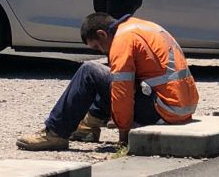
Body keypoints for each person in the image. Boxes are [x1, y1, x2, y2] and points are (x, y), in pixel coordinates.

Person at [16, 13, 199, 151]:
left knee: (90, 71)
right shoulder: (139, 26)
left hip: (165, 111)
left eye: (97, 46)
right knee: (109, 75)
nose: (101, 51)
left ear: (102, 34)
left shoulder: (122, 41)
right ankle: (88, 127)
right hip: (180, 107)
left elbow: (122, 92)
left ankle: (55, 133)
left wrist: (124, 132)